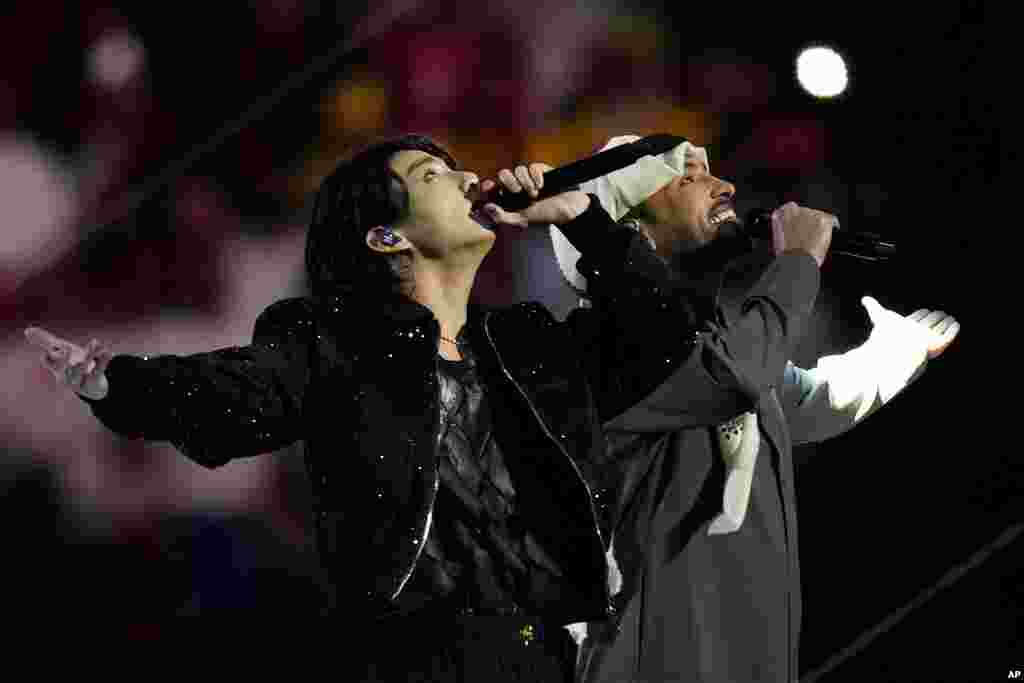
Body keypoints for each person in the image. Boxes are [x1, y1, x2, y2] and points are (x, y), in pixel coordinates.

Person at [23, 134, 832, 680]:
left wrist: (587, 221)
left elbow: (683, 359)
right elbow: (247, 391)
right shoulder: (335, 343)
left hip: (542, 657)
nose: (466, 178)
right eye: (432, 176)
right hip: (417, 658)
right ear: (387, 238)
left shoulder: (532, 347)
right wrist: (120, 385)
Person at [552, 135, 961, 683]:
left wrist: (889, 356)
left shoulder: (718, 341)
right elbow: (733, 378)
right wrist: (797, 262)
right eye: (688, 176)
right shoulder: (605, 340)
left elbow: (799, 399)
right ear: (626, 226)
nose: (725, 186)